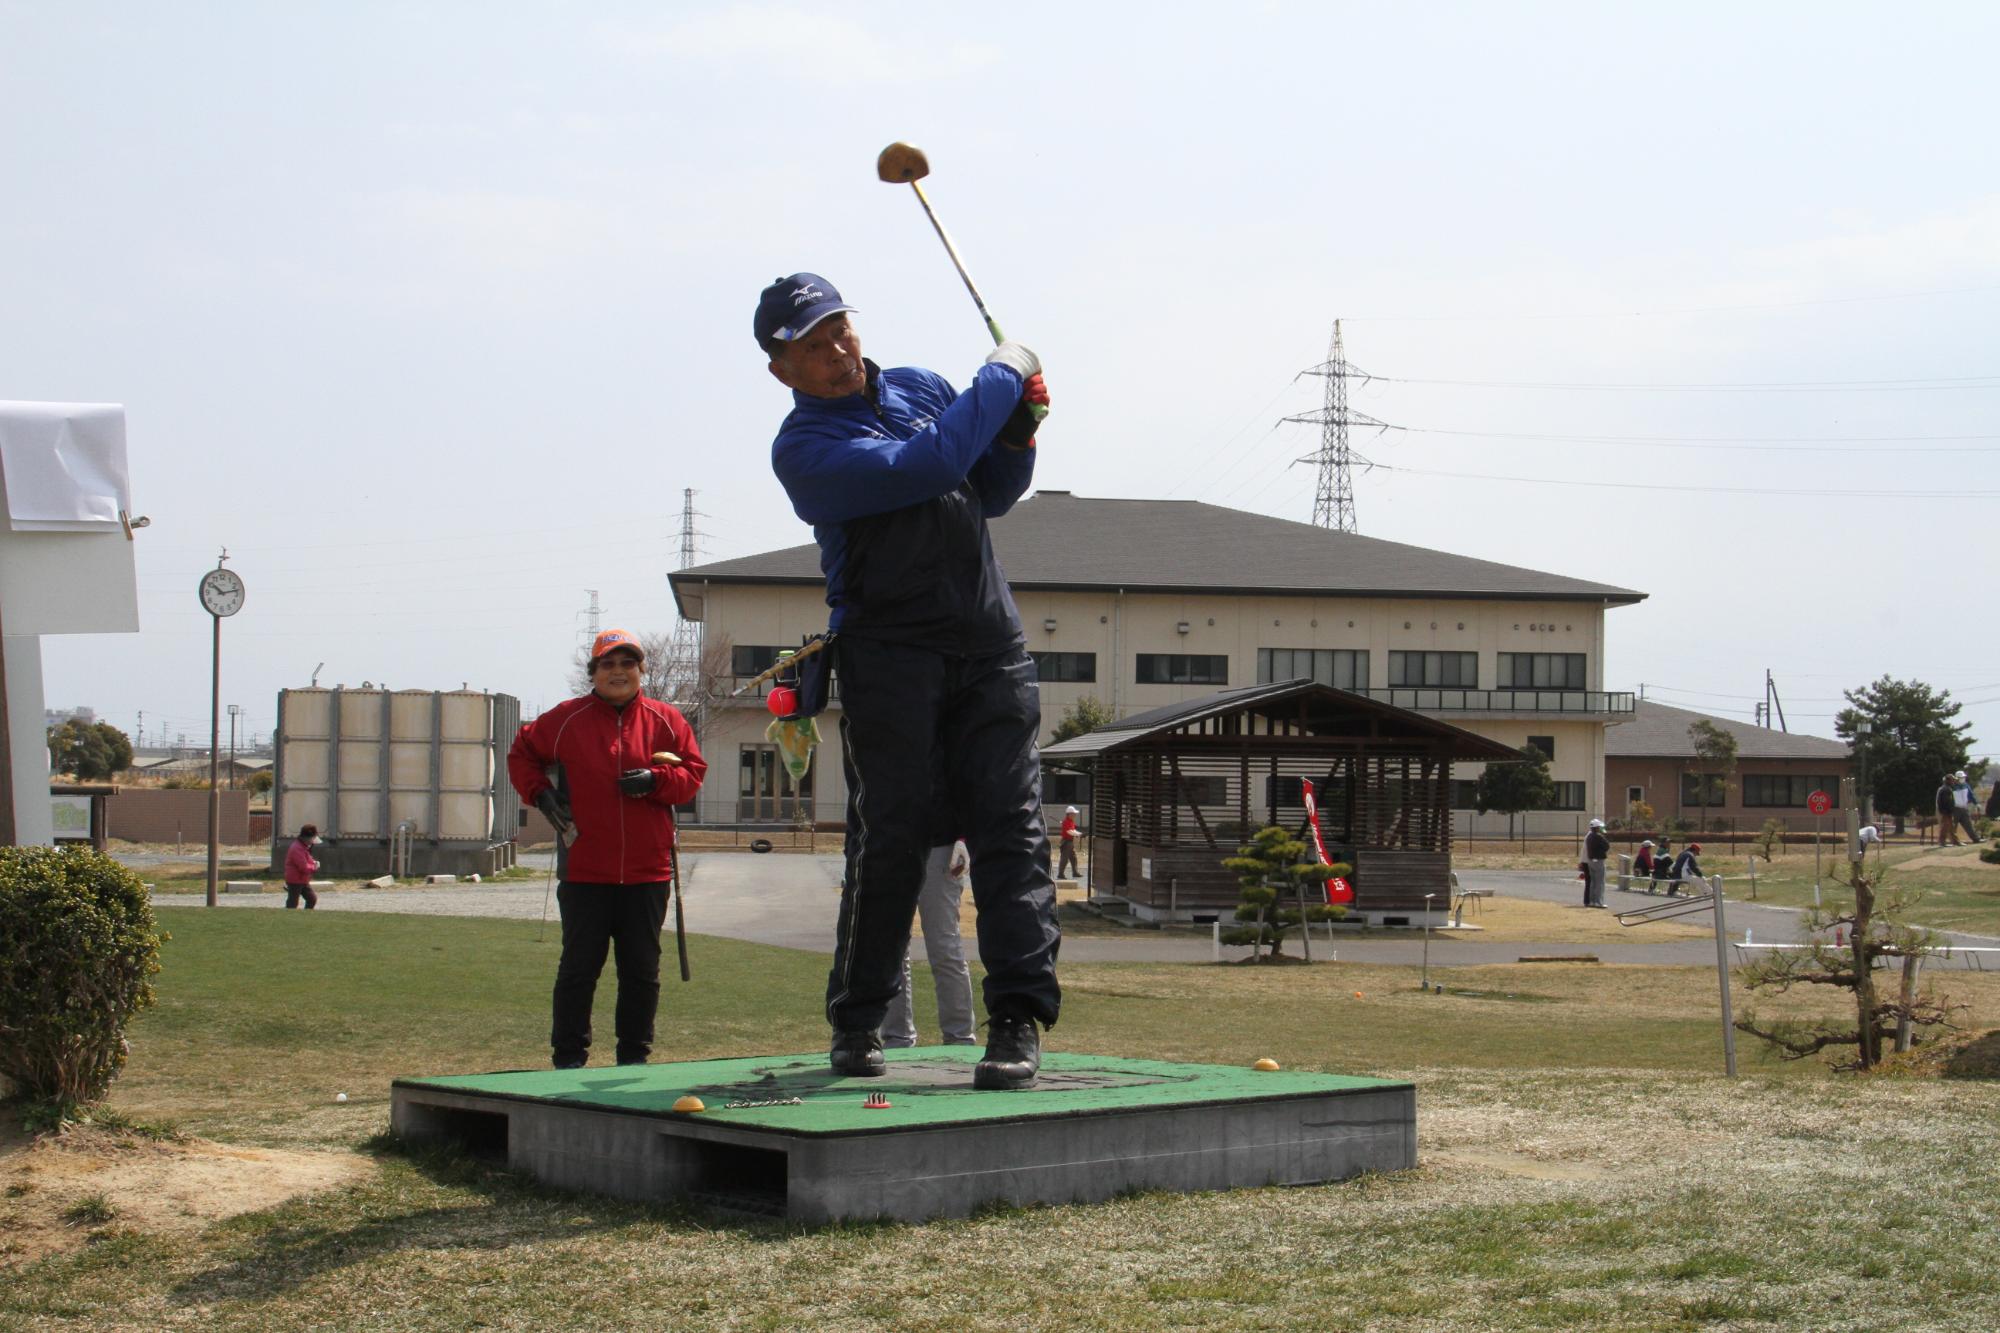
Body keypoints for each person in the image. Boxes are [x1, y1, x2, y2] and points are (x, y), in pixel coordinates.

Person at [758, 272, 1060, 1091]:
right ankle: (859, 1016)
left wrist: (1018, 429)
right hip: (889, 653)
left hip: (989, 644)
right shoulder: (804, 450)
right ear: (783, 370)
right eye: (812, 347)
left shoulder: (924, 387)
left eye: (840, 330)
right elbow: (927, 465)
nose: (836, 352)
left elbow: (987, 489)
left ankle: (1016, 1020)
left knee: (1013, 830)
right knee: (891, 838)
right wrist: (1003, 373)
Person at [507, 629, 706, 1069]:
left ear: (641, 671)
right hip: (584, 871)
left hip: (648, 871)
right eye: (608, 664)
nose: (618, 672)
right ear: (593, 672)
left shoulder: (667, 720)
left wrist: (657, 781)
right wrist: (541, 794)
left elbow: (693, 774)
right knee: (579, 969)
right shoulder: (564, 719)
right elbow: (521, 754)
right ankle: (568, 1058)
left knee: (641, 972)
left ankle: (634, 1058)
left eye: (627, 663)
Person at [881, 839, 976, 1049]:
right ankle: (897, 1037)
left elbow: (967, 804)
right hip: (895, 842)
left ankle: (959, 1037)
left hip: (941, 844)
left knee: (945, 946)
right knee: (892, 949)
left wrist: (962, 839)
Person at [283, 824, 321, 909]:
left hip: (302, 879)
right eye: (313, 838)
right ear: (307, 838)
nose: (313, 841)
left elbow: (307, 859)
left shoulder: (303, 846)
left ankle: (305, 916)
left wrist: (313, 862)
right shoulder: (297, 848)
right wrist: (314, 867)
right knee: (292, 903)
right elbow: (303, 867)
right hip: (295, 879)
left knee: (312, 899)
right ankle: (288, 918)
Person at [1583, 818, 1610, 908]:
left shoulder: (1589, 837)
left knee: (1593, 882)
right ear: (1597, 827)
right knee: (1600, 882)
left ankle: (1592, 901)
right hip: (1599, 860)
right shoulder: (1599, 836)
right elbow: (1607, 846)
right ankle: (1599, 902)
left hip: (1591, 860)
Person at [1950, 770, 1979, 845]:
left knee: (1969, 825)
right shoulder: (1952, 787)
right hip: (1955, 809)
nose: (1963, 779)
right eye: (1961, 778)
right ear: (1956, 778)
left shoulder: (1966, 785)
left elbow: (1971, 795)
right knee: (1953, 827)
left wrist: (1976, 803)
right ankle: (1954, 841)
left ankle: (1976, 839)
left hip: (1964, 808)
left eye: (1963, 777)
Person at [1935, 775, 1960, 847]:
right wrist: (1947, 811)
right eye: (1952, 780)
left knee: (1951, 827)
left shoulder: (1947, 788)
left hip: (1948, 812)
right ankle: (1942, 842)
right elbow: (1945, 802)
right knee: (1945, 827)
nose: (1954, 782)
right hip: (1946, 812)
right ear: (1948, 781)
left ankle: (1955, 841)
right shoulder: (1945, 789)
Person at [1057, 805, 1081, 879]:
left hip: (1070, 842)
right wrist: (1079, 834)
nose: (1075, 815)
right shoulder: (1066, 822)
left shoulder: (1069, 821)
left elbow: (1072, 831)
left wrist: (1078, 833)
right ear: (1069, 814)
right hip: (1066, 842)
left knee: (1073, 858)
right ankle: (1060, 874)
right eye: (1073, 813)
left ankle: (1075, 872)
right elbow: (1069, 832)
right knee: (1064, 859)